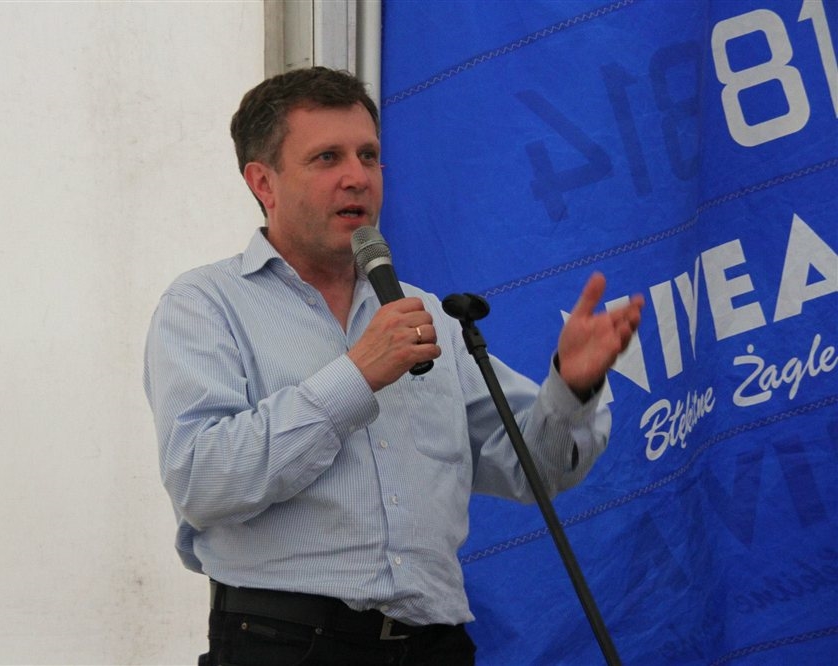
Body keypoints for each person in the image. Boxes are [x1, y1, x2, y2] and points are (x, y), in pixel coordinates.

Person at [144, 66, 644, 666]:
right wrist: (356, 377)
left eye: (368, 156)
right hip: (285, 641)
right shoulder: (206, 304)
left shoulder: (427, 314)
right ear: (264, 182)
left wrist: (571, 386)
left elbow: (534, 468)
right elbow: (201, 481)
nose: (357, 177)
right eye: (327, 158)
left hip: (433, 646)